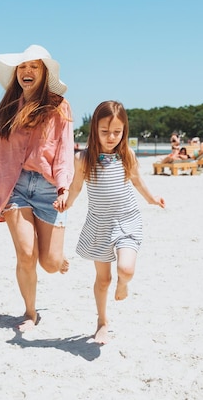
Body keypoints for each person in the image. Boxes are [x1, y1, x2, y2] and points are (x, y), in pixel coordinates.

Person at [0, 44, 74, 331]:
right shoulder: (9, 107)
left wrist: (63, 187)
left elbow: (64, 151)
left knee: (49, 263)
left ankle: (58, 258)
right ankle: (30, 313)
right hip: (16, 186)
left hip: (48, 189)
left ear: (44, 72)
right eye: (22, 67)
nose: (27, 71)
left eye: (34, 66)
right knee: (25, 253)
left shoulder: (60, 106)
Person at [57, 101, 165, 344]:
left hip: (127, 220)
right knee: (103, 279)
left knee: (125, 269)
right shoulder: (83, 159)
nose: (111, 137)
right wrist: (65, 200)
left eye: (117, 132)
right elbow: (75, 188)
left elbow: (137, 181)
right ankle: (102, 321)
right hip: (100, 225)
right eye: (105, 132)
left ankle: (124, 284)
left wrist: (152, 199)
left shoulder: (127, 154)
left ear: (124, 130)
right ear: (94, 129)